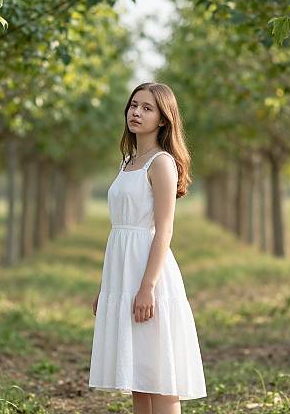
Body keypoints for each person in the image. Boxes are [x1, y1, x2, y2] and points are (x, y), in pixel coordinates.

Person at [88, 82, 207, 414]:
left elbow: (164, 229)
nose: (136, 112)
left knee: (161, 375)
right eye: (133, 105)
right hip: (122, 272)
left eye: (147, 108)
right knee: (138, 378)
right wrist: (106, 286)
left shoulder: (161, 163)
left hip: (148, 273)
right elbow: (120, 231)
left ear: (163, 120)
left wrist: (147, 287)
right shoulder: (127, 161)